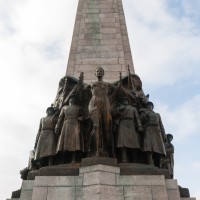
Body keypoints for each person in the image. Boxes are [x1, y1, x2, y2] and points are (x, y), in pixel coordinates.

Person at [88, 67, 115, 157]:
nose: (99, 72)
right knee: (96, 126)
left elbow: (117, 89)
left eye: (100, 71)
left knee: (107, 128)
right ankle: (94, 150)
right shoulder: (92, 84)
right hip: (94, 105)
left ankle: (107, 150)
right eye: (97, 71)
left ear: (103, 73)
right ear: (95, 74)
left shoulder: (108, 84)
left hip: (105, 104)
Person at [55, 95, 84, 163]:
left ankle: (73, 159)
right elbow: (60, 118)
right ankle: (63, 159)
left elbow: (83, 116)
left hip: (75, 124)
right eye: (71, 98)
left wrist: (81, 118)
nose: (72, 99)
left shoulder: (78, 107)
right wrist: (57, 126)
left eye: (74, 98)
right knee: (64, 142)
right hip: (66, 125)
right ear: (69, 99)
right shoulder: (64, 108)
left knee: (75, 142)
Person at [113, 98, 142, 163]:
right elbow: (113, 113)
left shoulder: (133, 108)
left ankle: (134, 160)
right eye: (124, 100)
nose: (125, 101)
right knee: (122, 143)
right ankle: (124, 159)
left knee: (134, 144)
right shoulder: (120, 107)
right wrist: (119, 109)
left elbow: (137, 117)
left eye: (126, 100)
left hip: (131, 124)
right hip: (123, 124)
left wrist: (139, 126)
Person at [140, 102, 166, 167]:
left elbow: (161, 125)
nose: (149, 107)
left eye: (151, 106)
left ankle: (158, 164)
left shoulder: (157, 114)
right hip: (148, 129)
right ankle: (150, 162)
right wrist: (145, 116)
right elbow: (140, 120)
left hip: (157, 131)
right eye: (148, 106)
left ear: (152, 107)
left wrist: (164, 135)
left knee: (158, 148)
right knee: (148, 146)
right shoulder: (144, 113)